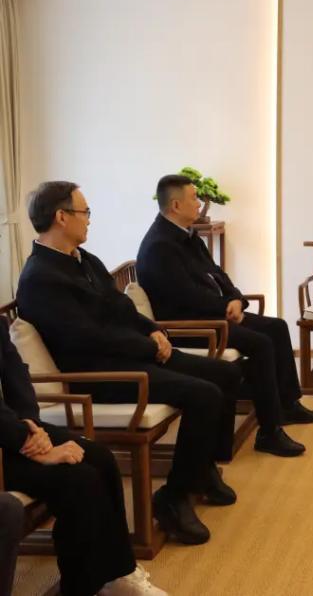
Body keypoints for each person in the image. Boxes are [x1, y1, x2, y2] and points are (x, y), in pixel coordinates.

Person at [17, 181, 240, 545]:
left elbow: (121, 308)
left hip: (129, 355)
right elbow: (86, 338)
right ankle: (173, 498)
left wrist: (153, 331)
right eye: (85, 212)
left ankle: (202, 469)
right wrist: (148, 347)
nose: (89, 219)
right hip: (98, 375)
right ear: (61, 217)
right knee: (204, 395)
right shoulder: (41, 278)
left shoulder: (84, 259)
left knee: (225, 375)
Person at [136, 174, 313, 457]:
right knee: (261, 343)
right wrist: (224, 307)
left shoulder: (187, 234)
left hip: (214, 313)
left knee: (277, 327)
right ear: (175, 205)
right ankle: (269, 432)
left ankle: (287, 404)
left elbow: (217, 273)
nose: (200, 203)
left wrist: (236, 299)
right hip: (190, 326)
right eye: (194, 198)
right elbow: (185, 296)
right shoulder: (160, 245)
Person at [0, 322, 166, 596]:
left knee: (100, 457)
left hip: (12, 428)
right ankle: (80, 587)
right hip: (6, 442)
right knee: (78, 480)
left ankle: (117, 573)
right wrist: (25, 440)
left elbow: (15, 373)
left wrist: (30, 423)